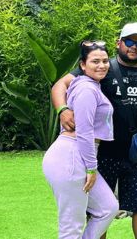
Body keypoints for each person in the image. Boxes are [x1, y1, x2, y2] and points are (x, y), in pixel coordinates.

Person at [51, 24, 137, 239]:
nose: (133, 46)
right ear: (119, 43)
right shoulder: (102, 66)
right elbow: (60, 85)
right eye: (129, 41)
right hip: (103, 153)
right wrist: (62, 109)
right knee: (98, 212)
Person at [43, 40, 118, 239]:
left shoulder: (91, 86)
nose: (102, 65)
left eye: (105, 61)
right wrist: (91, 168)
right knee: (71, 227)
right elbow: (85, 132)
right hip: (72, 156)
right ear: (83, 65)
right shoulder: (87, 89)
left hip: (76, 155)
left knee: (108, 208)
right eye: (95, 61)